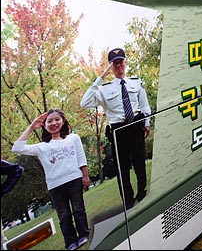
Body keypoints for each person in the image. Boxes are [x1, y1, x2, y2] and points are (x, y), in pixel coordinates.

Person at [80, 48, 151, 210]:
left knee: (140, 163)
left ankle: (142, 192)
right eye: (115, 63)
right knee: (122, 169)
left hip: (136, 127)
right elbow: (84, 103)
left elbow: (144, 105)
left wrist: (146, 124)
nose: (119, 66)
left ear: (125, 62)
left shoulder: (136, 82)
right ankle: (128, 201)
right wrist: (100, 78)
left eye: (121, 62)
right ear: (110, 67)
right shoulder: (104, 89)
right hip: (119, 131)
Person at [11, 109, 90, 250]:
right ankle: (71, 242)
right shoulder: (41, 147)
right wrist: (31, 127)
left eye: (57, 119)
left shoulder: (73, 138)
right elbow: (17, 148)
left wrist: (85, 176)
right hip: (55, 186)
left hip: (74, 180)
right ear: (44, 125)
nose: (54, 123)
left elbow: (81, 159)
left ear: (63, 120)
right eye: (49, 121)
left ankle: (84, 235)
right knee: (64, 215)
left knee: (78, 210)